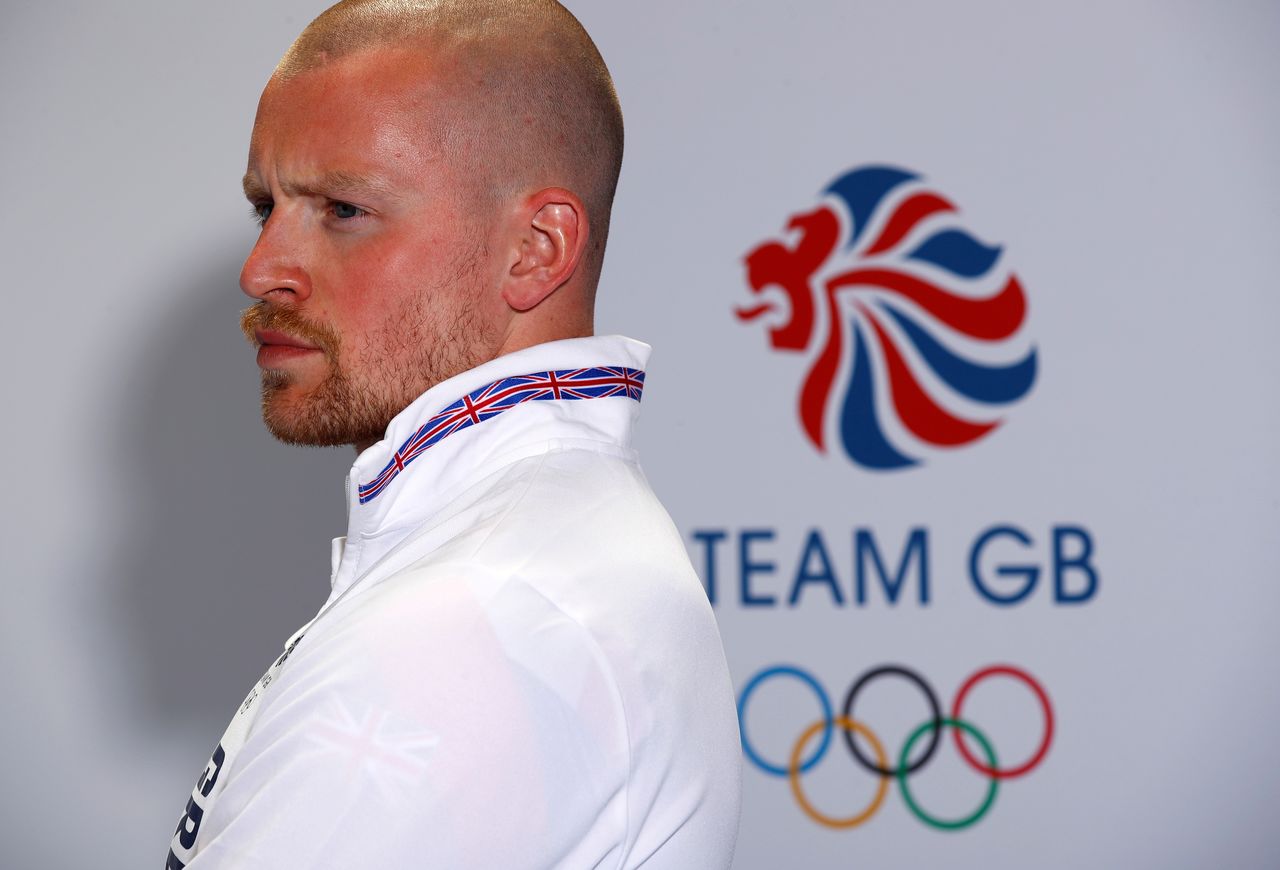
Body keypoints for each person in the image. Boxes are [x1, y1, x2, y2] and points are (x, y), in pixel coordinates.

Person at [164, 1, 741, 867]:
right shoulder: (529, 558)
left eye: (344, 208)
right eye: (267, 208)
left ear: (536, 250)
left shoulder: (473, 623)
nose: (263, 270)